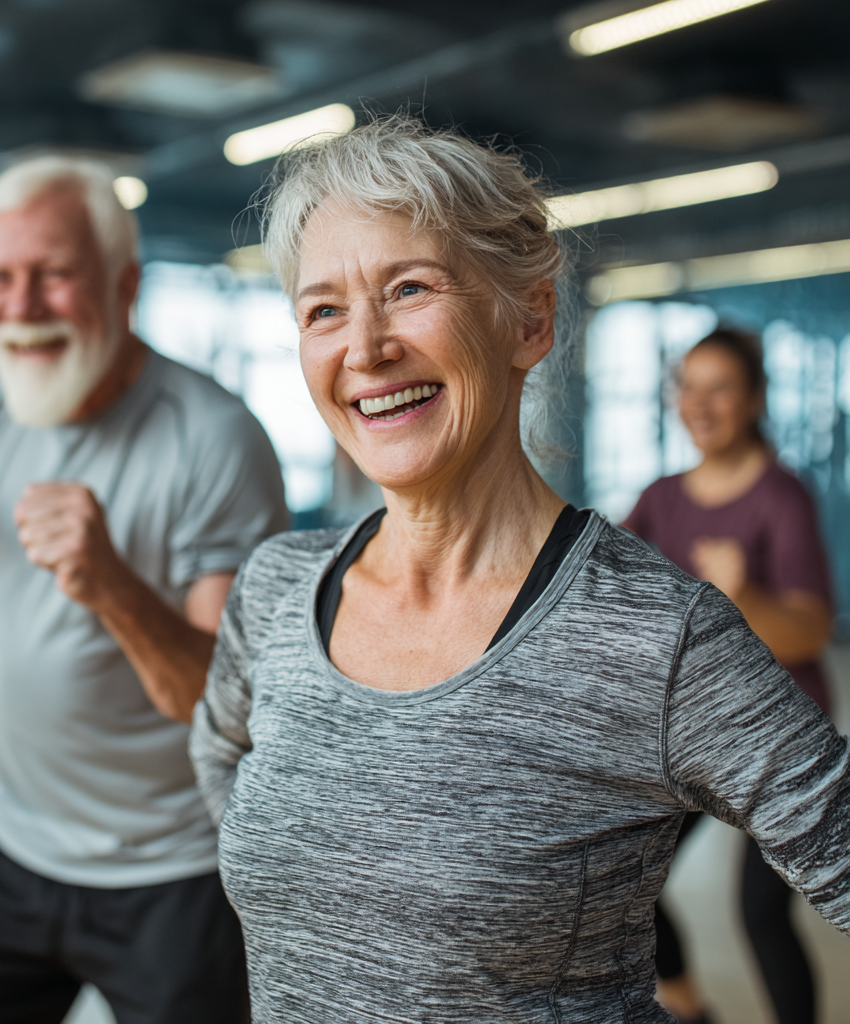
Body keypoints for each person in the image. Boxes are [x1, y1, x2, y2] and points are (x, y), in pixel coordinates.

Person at [189, 115, 850, 1023]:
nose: (365, 347)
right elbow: (218, 754)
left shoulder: (657, 638)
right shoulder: (276, 589)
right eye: (324, 309)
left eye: (410, 288)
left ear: (529, 320)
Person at [0, 156, 287, 1024]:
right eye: (1, 280)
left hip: (175, 873)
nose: (22, 305)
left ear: (126, 286)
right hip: (5, 850)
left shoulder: (216, 439)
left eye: (53, 275)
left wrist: (111, 584)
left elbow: (219, 705)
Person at [625, 327, 834, 1024]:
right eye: (688, 386)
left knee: (759, 913)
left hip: (777, 728)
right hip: (690, 730)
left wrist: (740, 597)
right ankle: (688, 1008)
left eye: (719, 388)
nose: (699, 404)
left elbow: (810, 630)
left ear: (753, 401)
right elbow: (612, 587)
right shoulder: (661, 497)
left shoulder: (782, 495)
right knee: (634, 883)